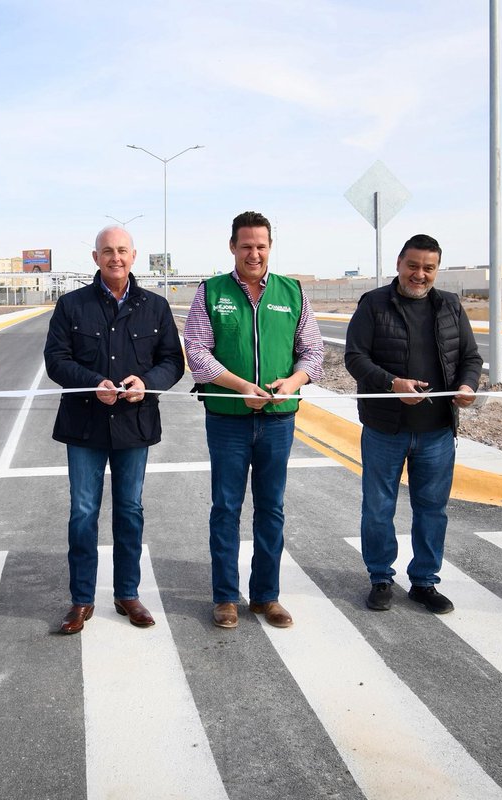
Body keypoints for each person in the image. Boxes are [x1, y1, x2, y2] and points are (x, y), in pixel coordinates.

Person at [183, 211, 325, 629]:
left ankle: (267, 596)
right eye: (246, 245)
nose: (254, 253)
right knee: (226, 507)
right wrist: (242, 386)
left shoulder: (293, 292)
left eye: (261, 245)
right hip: (228, 418)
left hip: (279, 420)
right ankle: (226, 596)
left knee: (271, 508)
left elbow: (313, 352)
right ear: (232, 247)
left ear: (270, 247)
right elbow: (197, 352)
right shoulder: (211, 292)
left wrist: (292, 381)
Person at [43, 226, 184, 635]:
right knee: (83, 512)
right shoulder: (72, 305)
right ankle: (81, 600)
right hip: (85, 424)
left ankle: (127, 593)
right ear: (95, 258)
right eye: (108, 252)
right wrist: (92, 383)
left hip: (134, 426)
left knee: (130, 511)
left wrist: (146, 382)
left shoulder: (155, 307)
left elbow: (172, 361)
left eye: (122, 251)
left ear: (134, 256)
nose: (115, 258)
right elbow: (56, 359)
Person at [343, 234, 482, 614]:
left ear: (436, 269)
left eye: (428, 268)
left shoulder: (450, 306)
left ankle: (424, 581)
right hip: (385, 429)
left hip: (437, 430)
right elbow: (355, 358)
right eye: (413, 266)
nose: (419, 274)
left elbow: (470, 357)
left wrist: (468, 385)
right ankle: (380, 578)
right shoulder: (373, 304)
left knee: (432, 509)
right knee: (378, 507)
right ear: (399, 264)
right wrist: (392, 384)